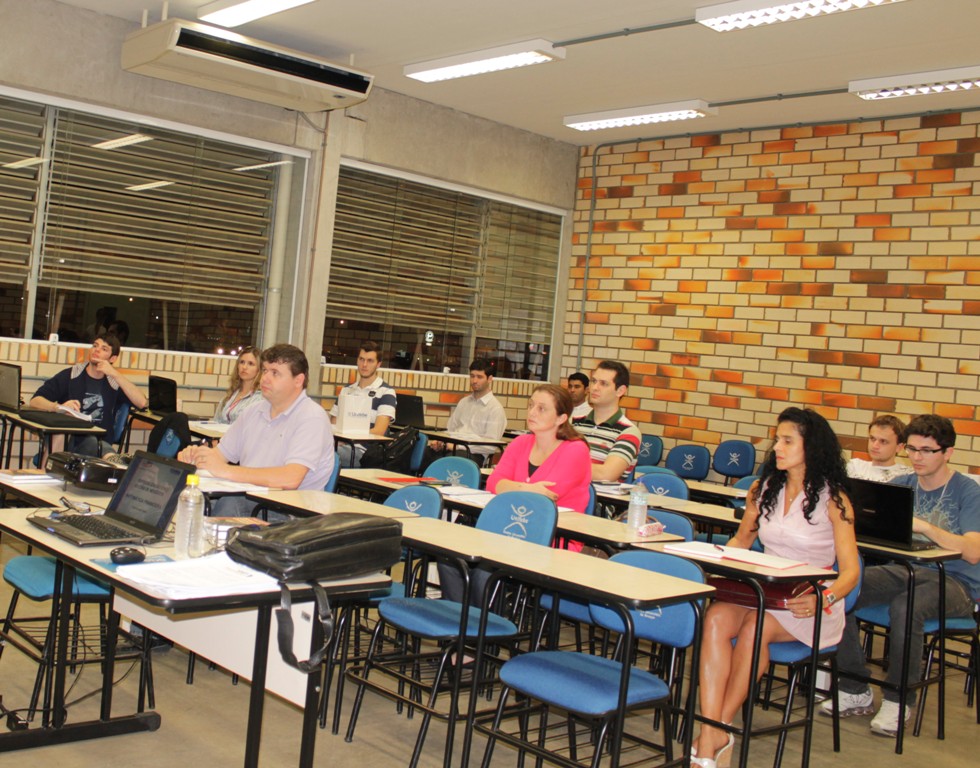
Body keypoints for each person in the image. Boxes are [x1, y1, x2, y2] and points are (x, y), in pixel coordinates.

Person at [692, 407, 860, 767]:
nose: (776, 447)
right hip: (764, 590)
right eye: (776, 439)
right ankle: (713, 729)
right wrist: (709, 560)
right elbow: (741, 540)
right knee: (716, 619)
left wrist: (823, 598)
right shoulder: (763, 488)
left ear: (811, 447)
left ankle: (716, 728)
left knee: (753, 630)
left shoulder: (835, 500)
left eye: (787, 440)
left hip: (808, 601)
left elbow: (850, 573)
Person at [824, 414, 980, 737]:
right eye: (911, 449)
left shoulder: (969, 492)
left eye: (926, 450)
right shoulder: (901, 486)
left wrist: (925, 527)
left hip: (959, 584)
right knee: (841, 588)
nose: (916, 457)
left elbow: (973, 552)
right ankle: (854, 686)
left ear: (948, 452)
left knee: (905, 607)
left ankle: (898, 700)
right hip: (907, 571)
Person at [439, 384, 591, 604]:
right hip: (506, 529)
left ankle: (482, 629)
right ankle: (459, 623)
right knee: (449, 558)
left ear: (561, 418)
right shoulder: (521, 443)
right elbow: (493, 483)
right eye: (531, 405)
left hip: (552, 539)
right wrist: (528, 488)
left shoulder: (575, 449)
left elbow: (547, 496)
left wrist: (512, 487)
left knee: (485, 572)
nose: (531, 412)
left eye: (542, 408)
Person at [178, 344, 334, 515]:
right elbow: (220, 455)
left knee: (229, 505)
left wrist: (227, 471)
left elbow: (290, 479)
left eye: (275, 373)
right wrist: (197, 456)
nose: (265, 378)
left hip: (290, 512)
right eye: (265, 371)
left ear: (298, 380)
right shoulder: (254, 411)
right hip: (251, 498)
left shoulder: (312, 417)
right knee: (188, 500)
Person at [30, 334, 147, 456]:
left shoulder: (114, 382)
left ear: (112, 359)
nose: (97, 350)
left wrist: (115, 374)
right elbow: (35, 400)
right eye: (95, 346)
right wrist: (58, 408)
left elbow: (142, 403)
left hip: (100, 441)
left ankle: (112, 461)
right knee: (86, 441)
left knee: (94, 442)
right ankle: (112, 459)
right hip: (71, 439)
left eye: (104, 349)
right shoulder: (72, 375)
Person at [329, 341, 396, 467]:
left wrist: (346, 438)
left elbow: (379, 431)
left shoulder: (386, 392)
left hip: (364, 451)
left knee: (325, 455)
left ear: (378, 364)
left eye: (370, 361)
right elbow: (334, 423)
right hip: (340, 444)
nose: (364, 365)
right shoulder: (346, 390)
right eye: (361, 359)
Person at [572, 360, 642, 482]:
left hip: (599, 499)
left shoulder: (629, 432)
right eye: (593, 381)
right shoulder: (574, 423)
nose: (594, 388)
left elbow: (606, 474)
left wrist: (563, 467)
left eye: (603, 384)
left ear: (620, 391)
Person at [429, 359, 507, 465]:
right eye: (472, 376)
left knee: (444, 463)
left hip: (473, 455)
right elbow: (451, 429)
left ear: (490, 379)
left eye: (479, 377)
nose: (474, 381)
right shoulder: (464, 402)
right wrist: (442, 441)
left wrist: (458, 446)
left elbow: (491, 446)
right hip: (452, 448)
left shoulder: (495, 409)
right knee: (423, 454)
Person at [846, 414, 913, 482]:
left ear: (899, 447)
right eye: (872, 438)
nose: (875, 446)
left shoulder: (907, 476)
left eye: (883, 441)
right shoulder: (854, 467)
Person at [214, 346, 263, 424]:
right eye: (242, 362)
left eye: (251, 364)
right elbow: (216, 421)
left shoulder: (261, 398)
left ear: (259, 369)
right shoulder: (230, 396)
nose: (244, 367)